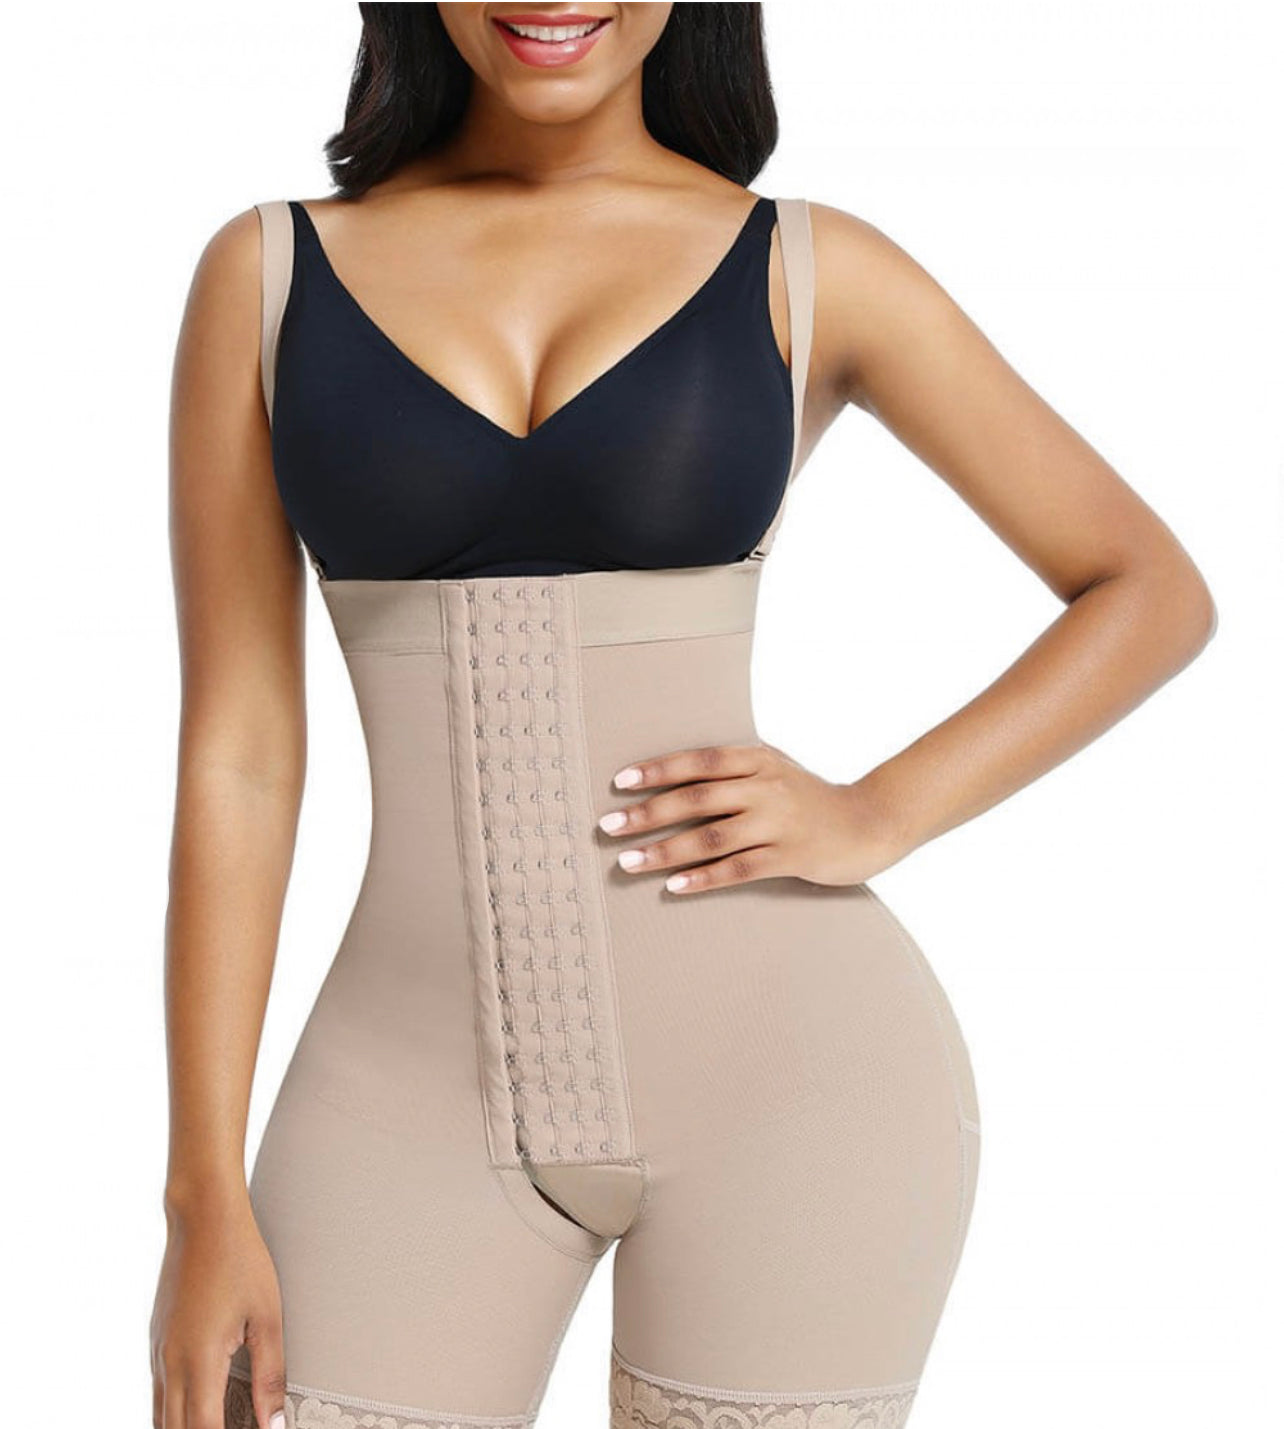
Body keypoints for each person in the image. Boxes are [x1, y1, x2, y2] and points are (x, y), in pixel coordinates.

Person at [151, 6, 1217, 1429]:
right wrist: (200, 1190)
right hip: (397, 1084)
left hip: (797, 1084)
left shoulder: (809, 268)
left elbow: (1147, 588)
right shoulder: (270, 274)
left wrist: (879, 810)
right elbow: (237, 756)